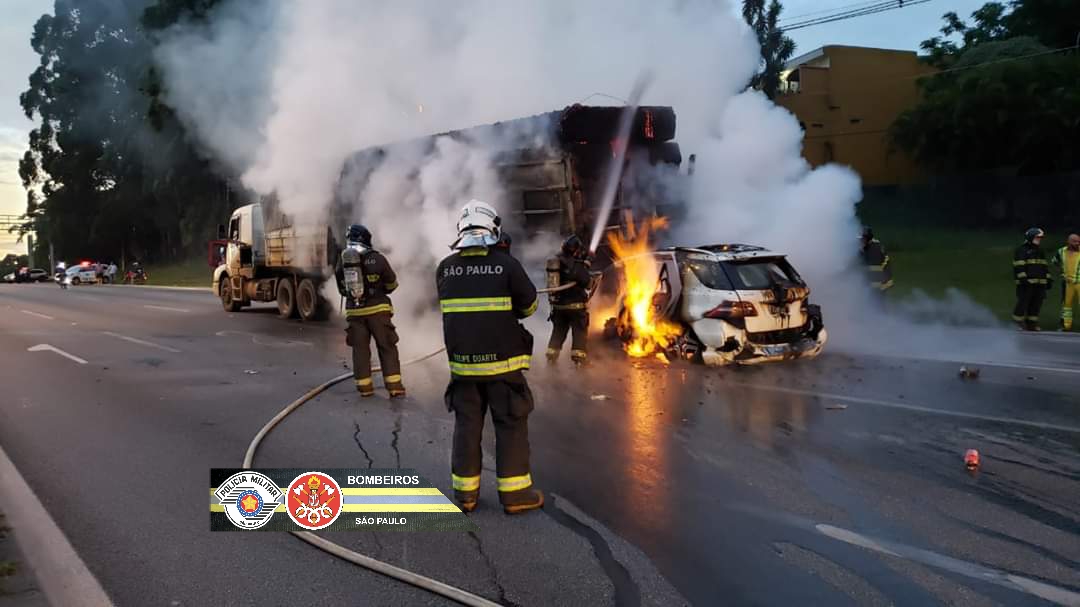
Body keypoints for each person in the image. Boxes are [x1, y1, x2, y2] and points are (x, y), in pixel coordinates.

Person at [436, 200, 543, 515]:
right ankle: (515, 495)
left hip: (463, 369)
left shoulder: (445, 268)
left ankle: (465, 496)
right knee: (510, 424)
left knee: (467, 425)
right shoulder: (507, 266)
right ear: (493, 230)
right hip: (503, 367)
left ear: (461, 230)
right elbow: (529, 308)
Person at [334, 224, 405, 398]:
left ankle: (364, 388)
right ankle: (394, 387)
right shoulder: (378, 259)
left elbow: (342, 289)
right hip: (378, 312)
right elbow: (392, 284)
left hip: (355, 313)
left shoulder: (343, 261)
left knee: (360, 350)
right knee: (386, 346)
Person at [546, 234, 592, 367]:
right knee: (579, 331)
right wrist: (586, 265)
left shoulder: (557, 262)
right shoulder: (576, 264)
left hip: (559, 308)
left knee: (558, 332)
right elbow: (587, 283)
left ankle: (551, 358)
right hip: (576, 307)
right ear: (576, 250)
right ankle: (579, 360)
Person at [1013, 228, 1051, 331]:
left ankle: (1031, 324)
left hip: (1040, 283)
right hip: (1026, 283)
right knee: (1023, 303)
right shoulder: (1022, 250)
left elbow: (1044, 266)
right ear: (1031, 237)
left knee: (1036, 304)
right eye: (1037, 237)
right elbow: (1019, 266)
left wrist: (1048, 278)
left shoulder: (1040, 250)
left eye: (1040, 238)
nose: (1039, 240)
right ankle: (1018, 323)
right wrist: (1023, 279)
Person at [1050, 232, 1080, 331]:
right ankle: (1066, 326)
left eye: (1078, 241)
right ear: (1068, 241)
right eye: (1075, 241)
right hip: (1068, 283)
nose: (1077, 243)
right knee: (1066, 306)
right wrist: (1062, 273)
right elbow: (1054, 262)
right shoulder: (1061, 251)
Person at [860, 227, 893, 292]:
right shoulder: (867, 248)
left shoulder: (875, 248)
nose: (861, 240)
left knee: (875, 300)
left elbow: (884, 264)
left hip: (878, 284)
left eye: (863, 238)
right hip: (874, 284)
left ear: (867, 238)